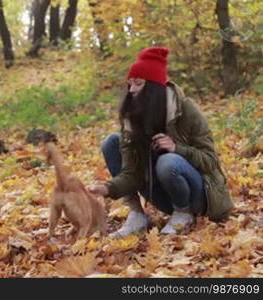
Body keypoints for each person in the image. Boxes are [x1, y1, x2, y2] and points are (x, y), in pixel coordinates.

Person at [88, 46, 233, 238]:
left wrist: (177, 148)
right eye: (129, 84)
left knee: (168, 161)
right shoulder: (133, 117)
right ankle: (137, 215)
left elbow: (210, 161)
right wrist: (108, 188)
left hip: (201, 197)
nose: (131, 90)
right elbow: (132, 173)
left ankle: (184, 213)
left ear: (154, 88)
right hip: (163, 197)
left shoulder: (186, 110)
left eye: (138, 84)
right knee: (111, 142)